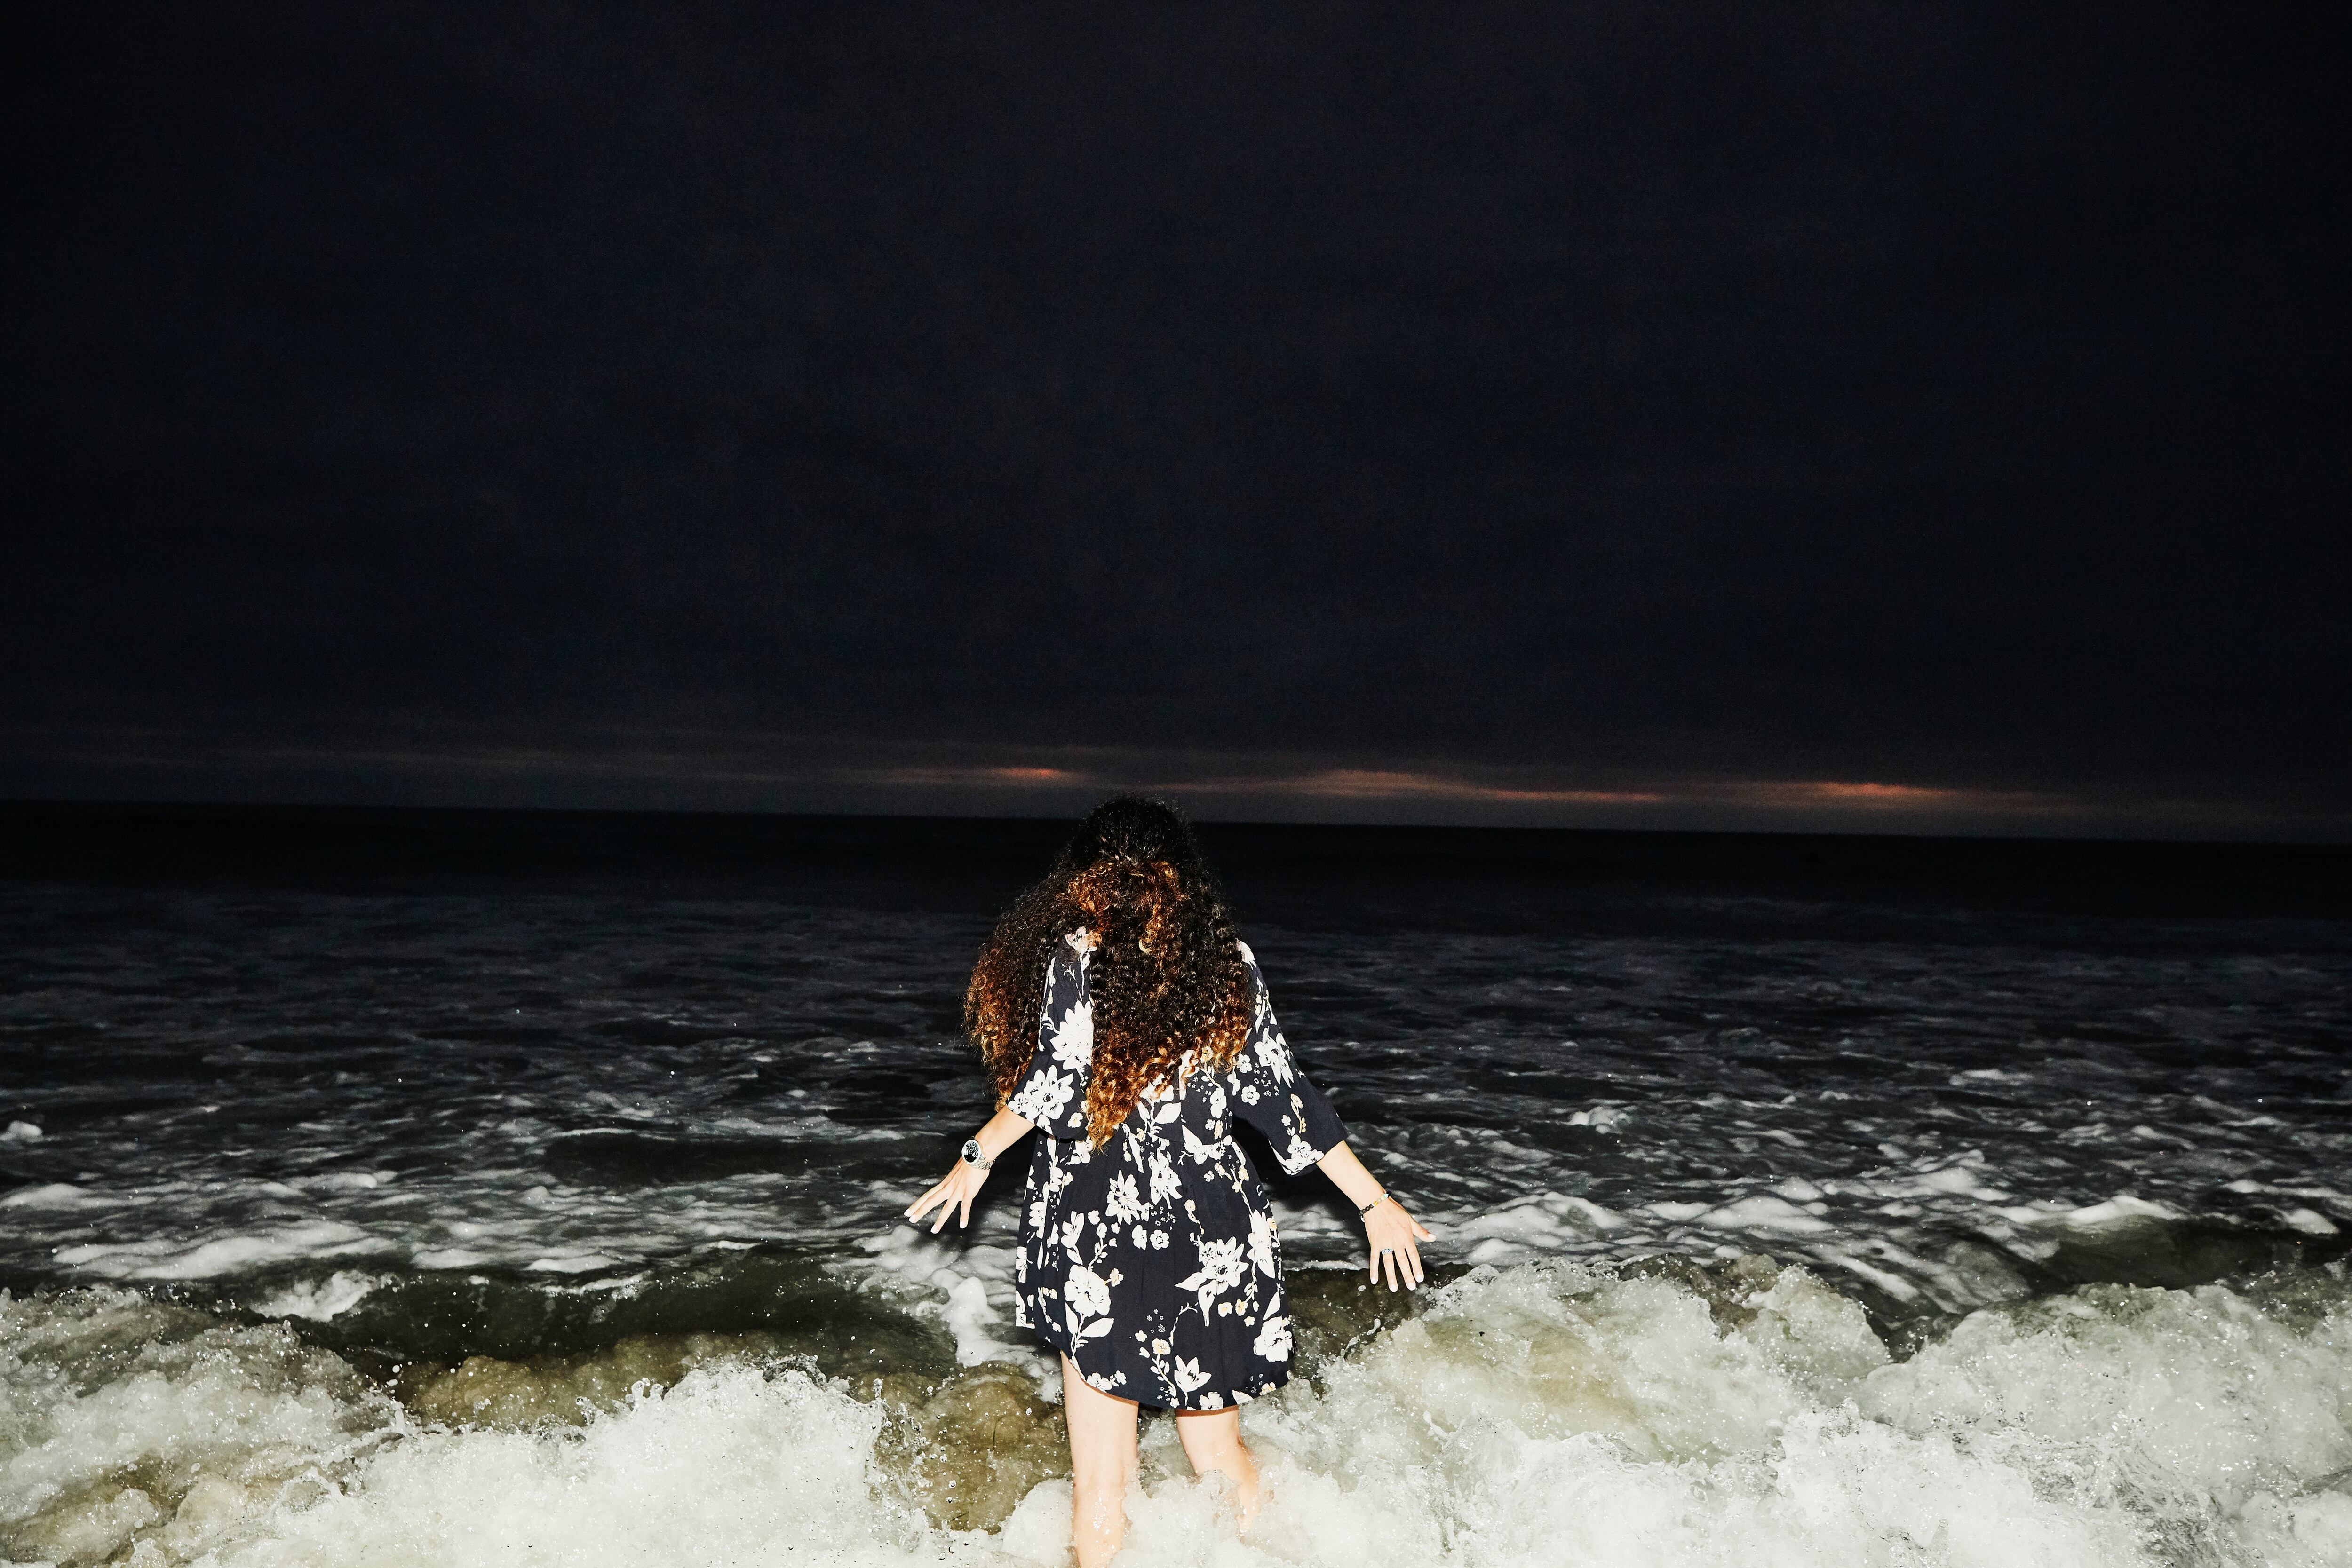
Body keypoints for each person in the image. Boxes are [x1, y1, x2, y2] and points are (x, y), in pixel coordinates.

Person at [905, 796, 1433, 1567]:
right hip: (1211, 1232)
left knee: (1103, 1485)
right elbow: (1285, 1099)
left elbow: (1052, 1085)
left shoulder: (1079, 956)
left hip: (1097, 1232)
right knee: (1220, 1453)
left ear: (1086, 876)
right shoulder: (1230, 965)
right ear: (1181, 877)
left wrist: (974, 1160)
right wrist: (1373, 1200)